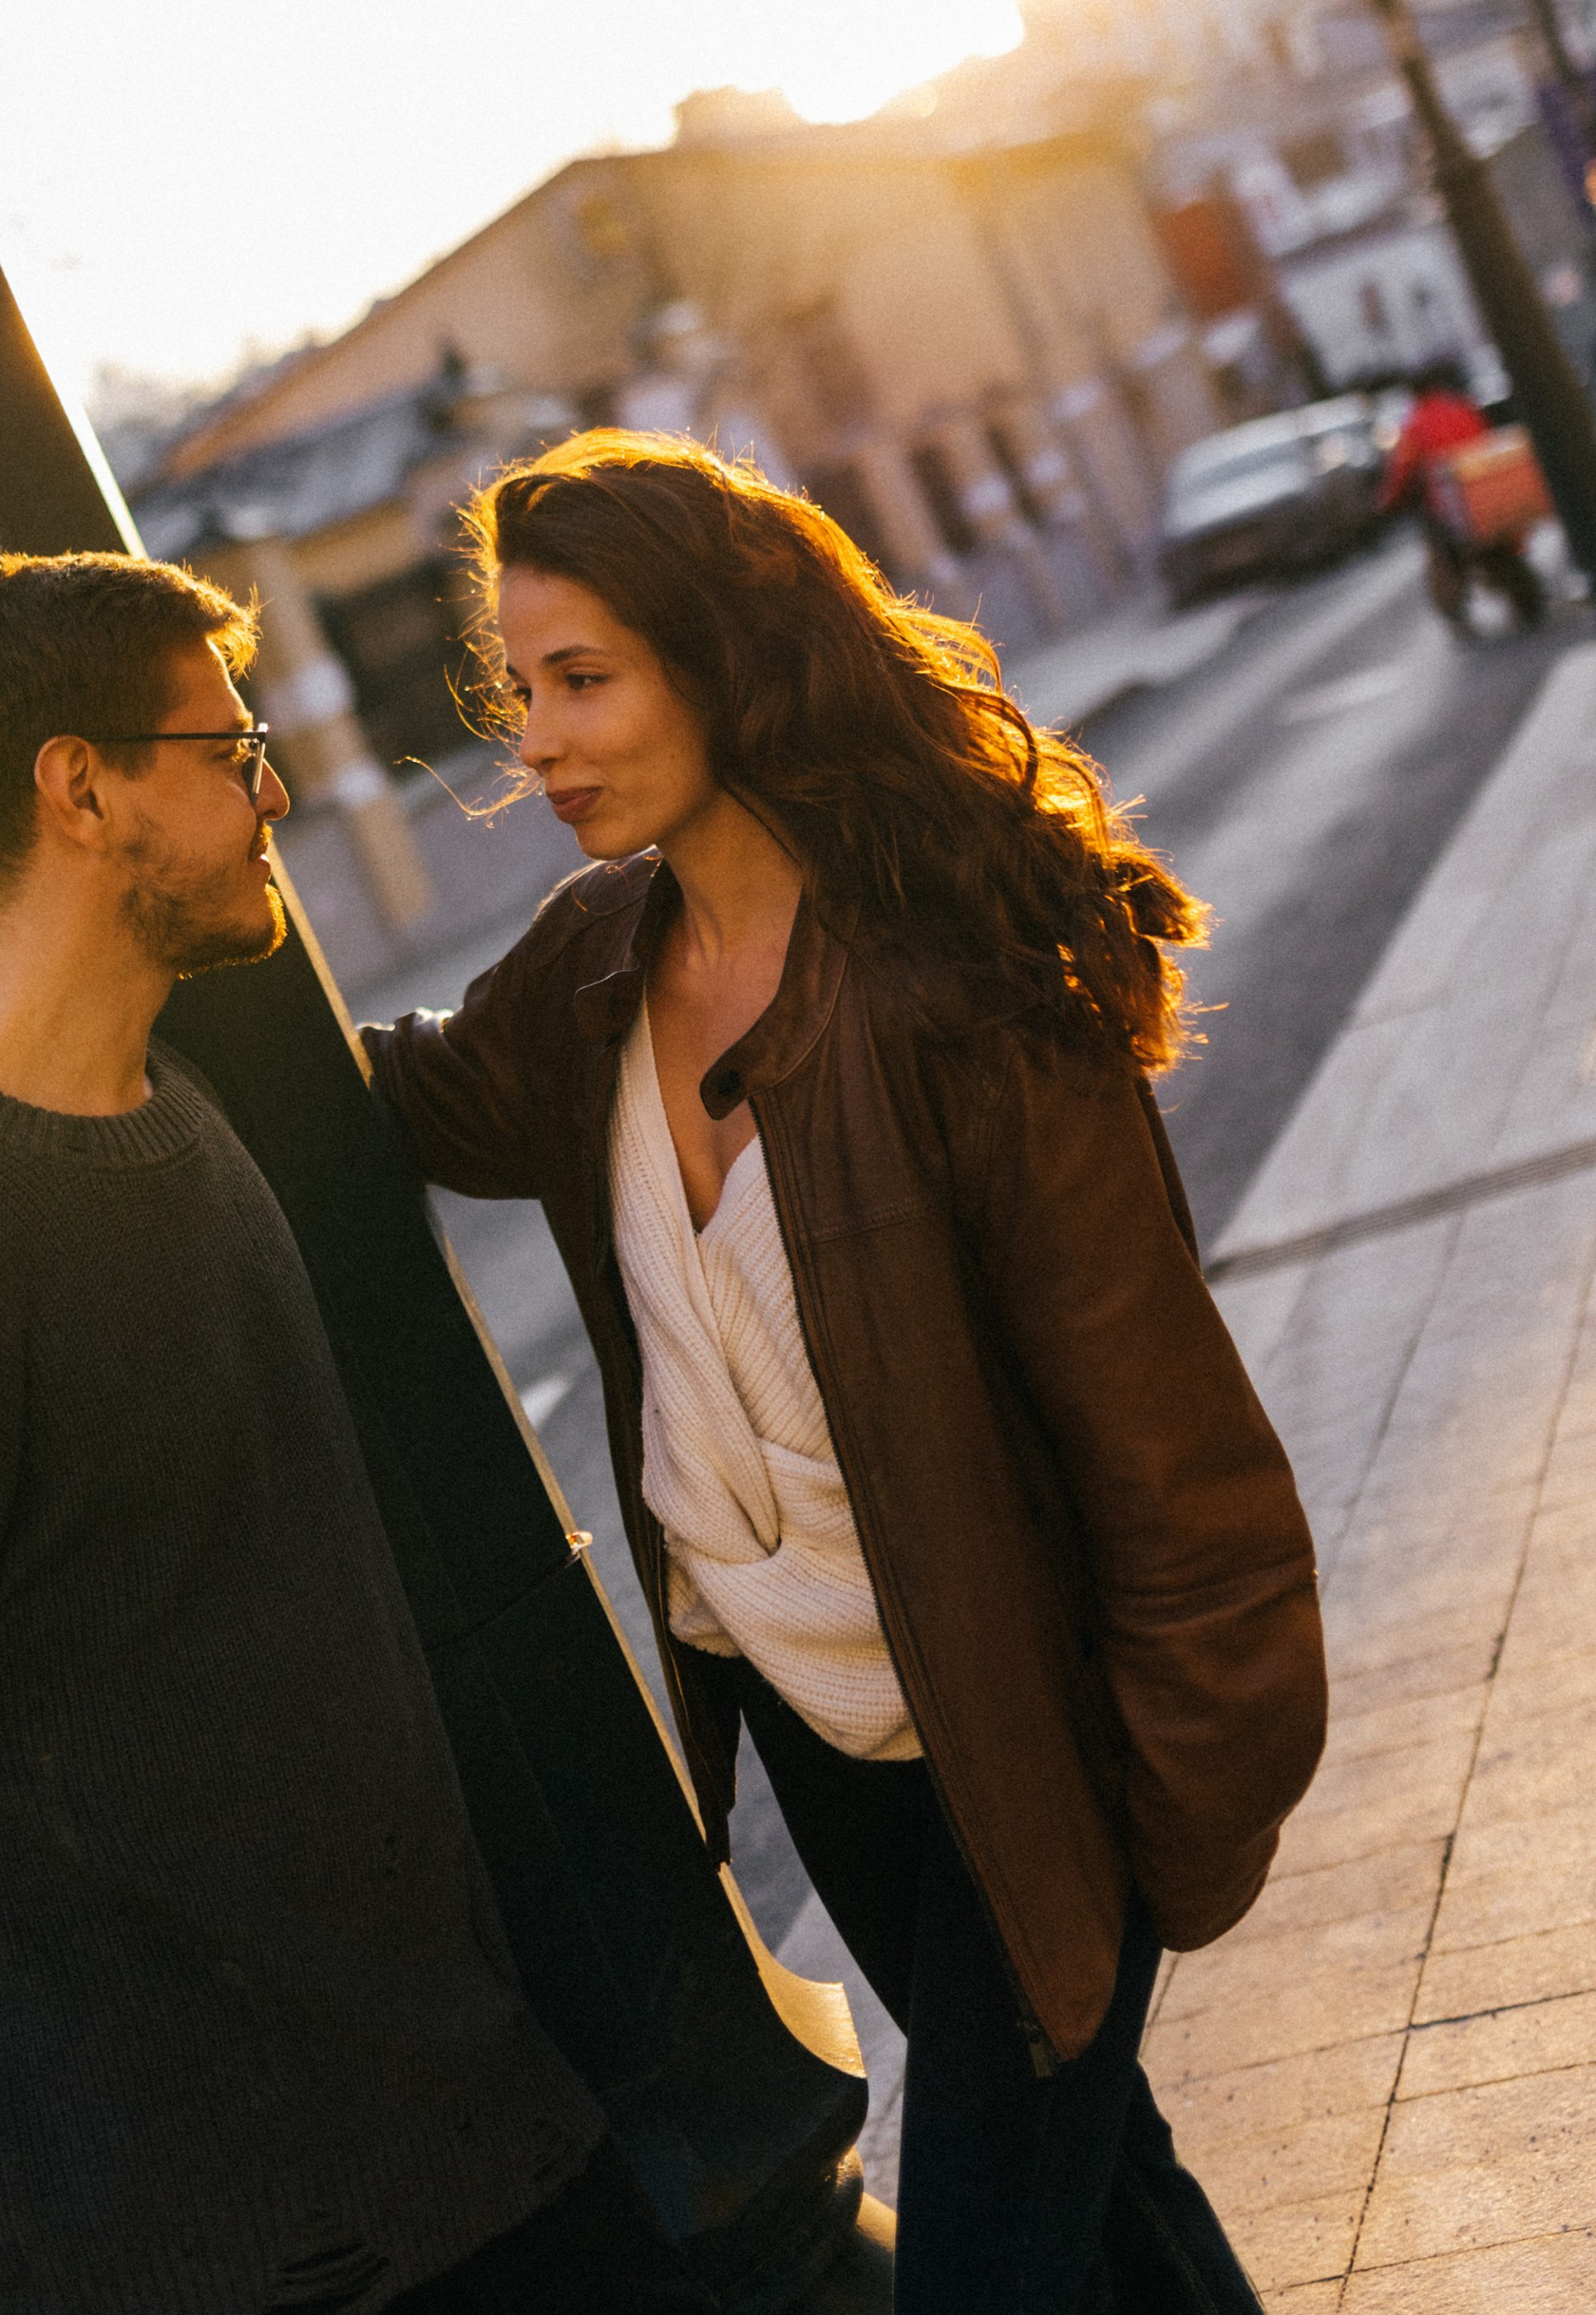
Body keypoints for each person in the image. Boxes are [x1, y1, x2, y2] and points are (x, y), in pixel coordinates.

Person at [0, 547, 713, 2315]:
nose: (273, 789)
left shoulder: (190, 1109)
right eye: (225, 753)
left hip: (470, 2141)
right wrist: (39, 2079)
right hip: (173, 2244)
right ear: (79, 789)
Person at [367, 433, 1328, 2315]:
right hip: (824, 1745)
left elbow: (1168, 1453)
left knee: (980, 2264)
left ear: (722, 661)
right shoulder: (584, 974)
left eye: (585, 682)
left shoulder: (949, 976)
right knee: (1102, 2195)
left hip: (1024, 1749)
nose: (538, 745)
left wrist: (1167, 1823)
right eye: (519, 691)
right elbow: (396, 1099)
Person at [1379, 362, 1543, 629]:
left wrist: (1388, 501)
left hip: (1448, 501)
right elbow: (1486, 437)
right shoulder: (1461, 406)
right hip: (1487, 488)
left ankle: (1456, 596)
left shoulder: (1415, 424)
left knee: (1444, 550)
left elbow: (1402, 470)